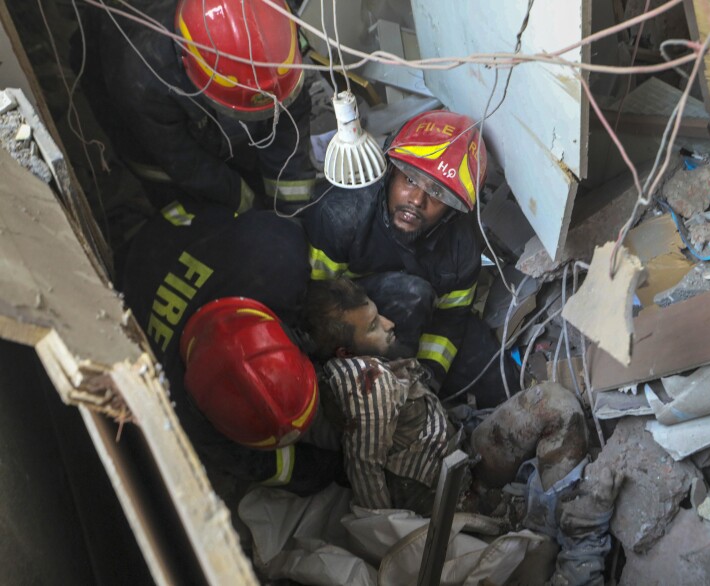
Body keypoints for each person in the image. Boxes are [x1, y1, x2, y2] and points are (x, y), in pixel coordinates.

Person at [303, 278, 621, 585]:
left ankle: (550, 521)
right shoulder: (367, 387)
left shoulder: (368, 364)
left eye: (378, 315)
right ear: (344, 353)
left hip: (460, 455)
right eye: (373, 326)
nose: (389, 324)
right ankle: (571, 537)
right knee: (542, 543)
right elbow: (365, 466)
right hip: (452, 500)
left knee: (550, 402)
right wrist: (394, 531)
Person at [122, 198, 341, 497]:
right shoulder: (182, 409)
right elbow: (253, 463)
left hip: (173, 232)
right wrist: (330, 469)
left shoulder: (278, 253)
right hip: (148, 244)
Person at [303, 110, 516, 408]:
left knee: (500, 379)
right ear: (390, 172)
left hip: (418, 321)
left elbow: (449, 322)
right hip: (355, 324)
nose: (416, 200)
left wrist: (427, 379)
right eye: (410, 179)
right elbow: (317, 302)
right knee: (412, 294)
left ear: (452, 207)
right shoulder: (341, 216)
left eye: (437, 191)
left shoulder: (462, 249)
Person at [86, 0, 315, 213]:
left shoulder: (275, 21)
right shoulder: (142, 78)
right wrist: (247, 204)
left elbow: (290, 114)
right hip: (140, 115)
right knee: (183, 200)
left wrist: (293, 207)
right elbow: (183, 160)